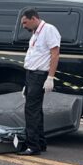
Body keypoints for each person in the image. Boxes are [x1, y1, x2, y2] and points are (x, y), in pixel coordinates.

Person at [18, 8, 60, 156]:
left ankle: (33, 145)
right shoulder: (36, 33)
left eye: (25, 22)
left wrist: (50, 77)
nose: (24, 26)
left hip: (39, 74)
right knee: (36, 110)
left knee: (31, 110)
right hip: (31, 75)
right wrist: (27, 84)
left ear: (33, 18)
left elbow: (55, 54)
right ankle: (40, 142)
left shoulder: (48, 30)